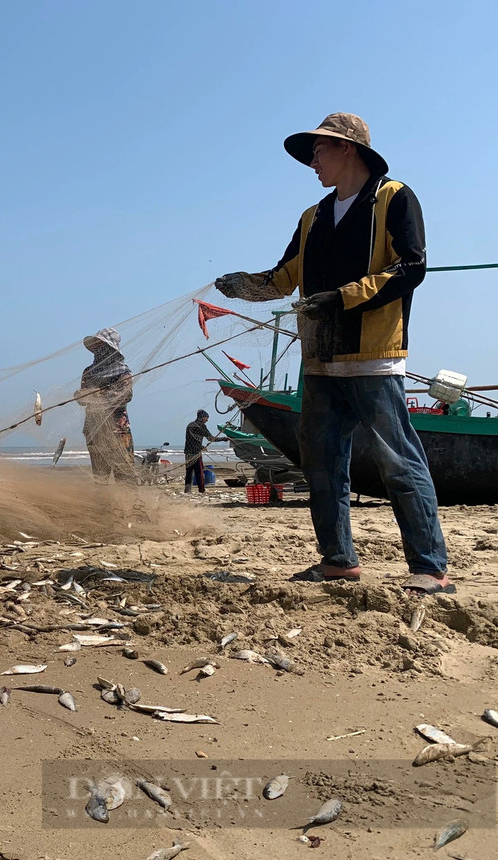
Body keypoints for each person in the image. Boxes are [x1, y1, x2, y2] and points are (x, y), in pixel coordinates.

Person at [215, 112, 451, 594]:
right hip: (320, 362)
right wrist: (244, 286)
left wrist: (340, 298)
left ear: (348, 148)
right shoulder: (314, 217)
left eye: (319, 150)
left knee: (398, 462)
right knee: (321, 465)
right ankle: (338, 560)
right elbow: (283, 278)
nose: (313, 162)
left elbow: (411, 268)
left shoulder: (394, 198)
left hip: (373, 358)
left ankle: (430, 568)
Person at [76, 328, 135, 481]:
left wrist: (95, 394)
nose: (98, 349)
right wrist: (81, 395)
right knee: (100, 477)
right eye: (96, 345)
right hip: (94, 430)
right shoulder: (89, 372)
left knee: (125, 476)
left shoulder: (123, 373)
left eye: (101, 345)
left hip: (118, 431)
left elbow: (124, 396)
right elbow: (82, 398)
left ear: (110, 349)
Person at [183, 410, 228, 493]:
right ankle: (201, 490)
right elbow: (211, 438)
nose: (207, 420)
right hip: (196, 453)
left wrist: (201, 446)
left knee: (189, 472)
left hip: (188, 452)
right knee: (199, 472)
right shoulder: (201, 426)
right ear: (202, 417)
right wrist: (224, 439)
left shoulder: (190, 425)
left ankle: (187, 490)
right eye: (206, 417)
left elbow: (193, 439)